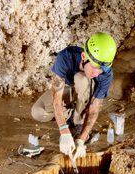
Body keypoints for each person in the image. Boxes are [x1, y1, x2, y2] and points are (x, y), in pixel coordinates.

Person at [31, 32, 117, 161]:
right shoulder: (66, 56)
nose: (97, 73)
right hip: (68, 89)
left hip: (86, 92)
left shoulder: (106, 74)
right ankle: (70, 118)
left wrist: (81, 139)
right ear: (83, 56)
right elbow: (56, 98)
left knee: (82, 78)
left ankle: (79, 122)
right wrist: (64, 131)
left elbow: (94, 107)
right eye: (94, 67)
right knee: (38, 112)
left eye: (101, 70)